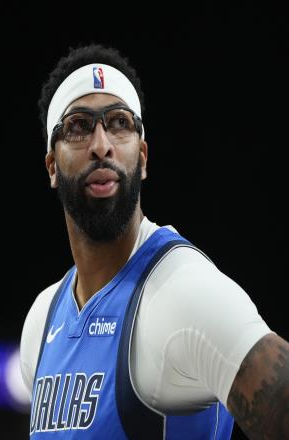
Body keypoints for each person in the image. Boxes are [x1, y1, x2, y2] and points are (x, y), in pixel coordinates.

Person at [19, 43, 288, 439]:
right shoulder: (40, 322)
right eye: (78, 126)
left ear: (142, 157)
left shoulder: (183, 291)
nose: (101, 145)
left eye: (119, 123)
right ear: (51, 166)